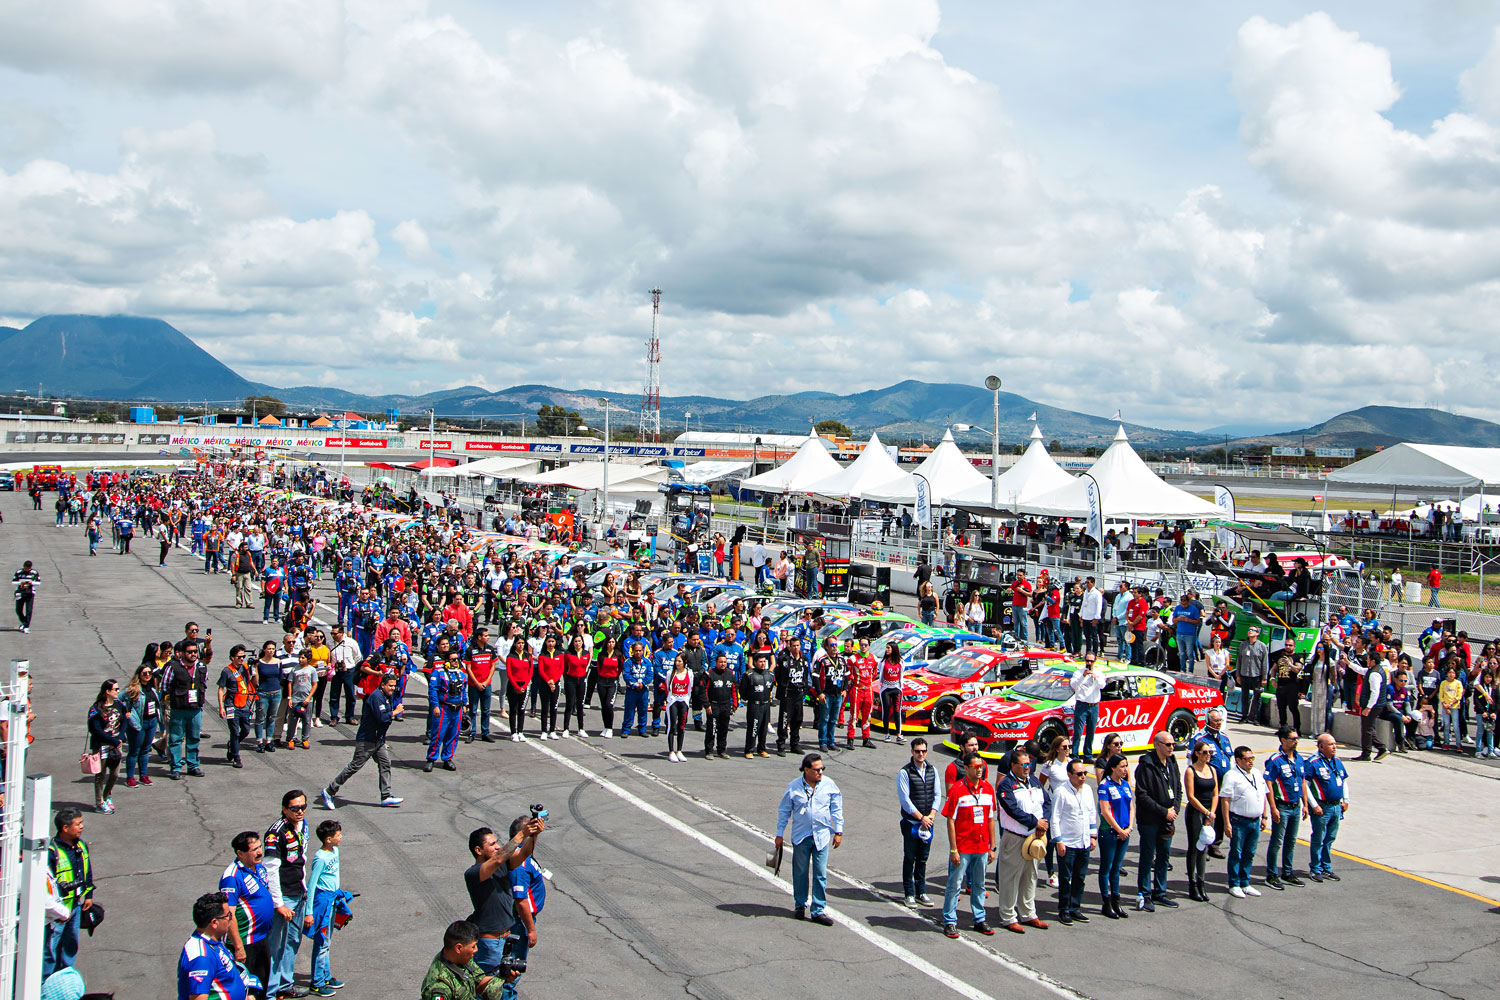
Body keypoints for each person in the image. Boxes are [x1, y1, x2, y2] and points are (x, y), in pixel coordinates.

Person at [464, 820, 545, 976]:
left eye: (497, 843)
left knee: (501, 983)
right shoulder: (474, 873)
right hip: (489, 942)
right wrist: (523, 834)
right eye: (492, 844)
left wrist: (534, 835)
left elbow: (523, 853)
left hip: (506, 939)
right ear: (478, 850)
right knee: (487, 986)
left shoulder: (502, 865)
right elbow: (498, 859)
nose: (497, 847)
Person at [775, 753, 843, 925]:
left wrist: (839, 831)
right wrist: (779, 833)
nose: (820, 772)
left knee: (820, 874)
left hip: (822, 836)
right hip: (801, 836)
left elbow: (837, 808)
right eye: (817, 769)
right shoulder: (794, 787)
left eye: (822, 769)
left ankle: (818, 910)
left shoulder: (829, 785)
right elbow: (784, 811)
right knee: (800, 872)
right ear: (806, 770)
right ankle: (800, 905)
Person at [321, 674, 403, 810]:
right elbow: (382, 717)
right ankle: (330, 790)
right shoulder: (376, 697)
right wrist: (395, 712)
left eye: (394, 686)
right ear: (382, 685)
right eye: (390, 686)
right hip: (367, 740)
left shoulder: (387, 696)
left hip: (379, 739)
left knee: (385, 764)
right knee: (354, 766)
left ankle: (386, 795)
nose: (393, 688)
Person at [939, 752, 998, 938]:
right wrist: (953, 849)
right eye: (975, 767)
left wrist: (992, 846)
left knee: (980, 885)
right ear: (966, 769)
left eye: (981, 766)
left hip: (981, 847)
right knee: (954, 884)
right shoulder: (957, 790)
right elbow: (950, 820)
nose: (979, 770)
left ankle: (979, 918)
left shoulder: (988, 789)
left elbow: (990, 819)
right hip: (963, 848)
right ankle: (949, 920)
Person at [994, 746, 1050, 933]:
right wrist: (1035, 822)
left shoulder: (1034, 781)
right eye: (1024, 764)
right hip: (1015, 837)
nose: (1028, 767)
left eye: (1029, 764)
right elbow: (1012, 809)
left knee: (1031, 875)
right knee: (1010, 877)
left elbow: (1047, 802)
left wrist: (1044, 822)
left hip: (1035, 837)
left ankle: (1028, 913)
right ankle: (1008, 916)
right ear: (1013, 765)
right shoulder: (1006, 784)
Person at [265, 790, 313, 1000]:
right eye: (295, 808)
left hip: (298, 893)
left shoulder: (303, 827)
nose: (300, 811)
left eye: (303, 807)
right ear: (285, 809)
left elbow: (301, 859)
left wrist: (304, 891)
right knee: (276, 945)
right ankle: (271, 991)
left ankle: (286, 985)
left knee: (293, 942)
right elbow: (271, 870)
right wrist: (278, 904)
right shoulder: (275, 834)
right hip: (284, 897)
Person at [220, 830, 275, 998]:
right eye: (254, 850)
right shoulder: (232, 877)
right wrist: (238, 947)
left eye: (260, 847)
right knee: (246, 990)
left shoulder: (259, 867)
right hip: (246, 943)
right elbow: (229, 915)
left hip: (261, 938)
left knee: (261, 986)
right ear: (240, 853)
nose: (260, 852)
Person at [500, 813, 548, 1000]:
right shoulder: (520, 864)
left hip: (520, 920)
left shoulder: (522, 855)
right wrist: (531, 930)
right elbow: (520, 901)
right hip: (519, 921)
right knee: (511, 970)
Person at [1133, 731, 1181, 911]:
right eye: (1168, 745)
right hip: (1150, 819)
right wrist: (1163, 812)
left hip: (1168, 818)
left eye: (1173, 744)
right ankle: (1145, 894)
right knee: (1147, 856)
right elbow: (1142, 795)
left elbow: (1177, 787)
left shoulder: (1172, 762)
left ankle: (1160, 892)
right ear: (1157, 745)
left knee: (1164, 855)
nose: (1171, 748)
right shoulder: (1146, 765)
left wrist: (1175, 809)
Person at [44, 809, 93, 980]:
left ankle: (65, 977)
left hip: (76, 905)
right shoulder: (52, 852)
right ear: (65, 828)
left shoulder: (81, 845)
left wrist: (88, 894)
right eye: (78, 824)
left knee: (70, 944)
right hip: (57, 909)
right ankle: (47, 982)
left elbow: (86, 870)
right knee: (51, 948)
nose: (82, 826)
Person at [897, 737, 943, 907]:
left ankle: (921, 891)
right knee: (910, 857)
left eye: (923, 751)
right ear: (912, 752)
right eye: (917, 751)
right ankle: (909, 893)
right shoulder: (905, 772)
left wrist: (930, 816)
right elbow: (905, 800)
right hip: (911, 822)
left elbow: (937, 795)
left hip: (928, 823)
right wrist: (920, 817)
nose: (921, 754)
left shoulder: (932, 770)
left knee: (923, 858)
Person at [1051, 759, 1099, 925]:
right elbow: (1055, 818)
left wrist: (1093, 836)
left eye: (1085, 773)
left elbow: (1092, 813)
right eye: (1079, 774)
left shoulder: (1087, 790)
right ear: (1069, 774)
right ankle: (1064, 909)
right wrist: (1059, 841)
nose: (1083, 776)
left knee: (1080, 876)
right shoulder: (1061, 792)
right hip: (1068, 842)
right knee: (1066, 878)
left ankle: (1075, 907)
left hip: (1084, 841)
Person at [180, 892, 251, 1000]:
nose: (231, 919)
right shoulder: (201, 957)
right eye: (228, 915)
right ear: (214, 923)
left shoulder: (212, 941)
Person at [1220, 745, 1270, 898]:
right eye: (1247, 759)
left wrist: (1264, 816)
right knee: (1237, 852)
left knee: (1250, 853)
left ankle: (1245, 882)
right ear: (1238, 760)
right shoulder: (1231, 775)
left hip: (1255, 821)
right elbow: (1225, 800)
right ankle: (1234, 883)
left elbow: (1263, 795)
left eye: (1252, 758)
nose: (1250, 762)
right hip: (1239, 820)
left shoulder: (1256, 773)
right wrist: (1227, 823)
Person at [1264, 726, 1307, 890]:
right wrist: (1273, 808)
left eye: (1297, 738)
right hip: (1282, 806)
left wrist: (1305, 805)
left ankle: (1287, 872)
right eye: (1293, 739)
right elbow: (1268, 783)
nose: (1296, 742)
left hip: (1296, 806)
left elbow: (1302, 781)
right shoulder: (1275, 760)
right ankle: (1272, 875)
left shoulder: (1299, 759)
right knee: (1277, 841)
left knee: (1291, 841)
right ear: (1283, 740)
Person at [1304, 733, 1350, 882]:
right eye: (1330, 744)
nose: (1334, 747)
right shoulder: (1313, 763)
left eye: (1335, 744)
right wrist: (1314, 805)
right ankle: (1316, 868)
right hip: (1322, 807)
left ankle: (1326, 867)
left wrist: (1346, 800)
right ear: (1321, 746)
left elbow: (1343, 780)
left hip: (1336, 807)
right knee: (1319, 838)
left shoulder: (1337, 761)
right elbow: (1306, 786)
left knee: (1330, 838)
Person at [419, 921, 505, 1000]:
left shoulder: (460, 958)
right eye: (473, 946)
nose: (476, 950)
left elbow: (479, 983)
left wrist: (502, 976)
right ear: (459, 948)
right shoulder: (440, 987)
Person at [1188, 707, 1232, 859]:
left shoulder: (1225, 738)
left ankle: (1215, 844)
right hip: (1205, 781)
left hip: (1224, 782)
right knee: (1204, 814)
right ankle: (1202, 846)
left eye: (1220, 720)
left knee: (1220, 813)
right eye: (1215, 720)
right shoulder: (1200, 738)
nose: (1218, 723)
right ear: (1208, 721)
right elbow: (1191, 761)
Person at [1095, 754, 1133, 919]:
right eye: (1122, 766)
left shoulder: (1125, 785)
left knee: (1116, 869)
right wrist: (1118, 829)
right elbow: (1105, 811)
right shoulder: (1104, 785)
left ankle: (1116, 901)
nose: (1125, 770)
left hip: (1125, 832)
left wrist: (1129, 827)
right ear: (1113, 767)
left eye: (1126, 766)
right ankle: (1106, 902)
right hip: (1110, 832)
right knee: (1106, 868)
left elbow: (1131, 807)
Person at [165, 638, 209, 779]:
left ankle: (193, 766)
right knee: (176, 739)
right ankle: (176, 767)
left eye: (195, 651)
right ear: (182, 653)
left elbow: (205, 683)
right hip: (179, 708)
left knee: (194, 738)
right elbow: (164, 685)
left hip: (196, 709)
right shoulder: (173, 667)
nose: (193, 654)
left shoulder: (201, 666)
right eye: (190, 652)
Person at [1182, 740, 1219, 902]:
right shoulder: (1191, 771)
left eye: (1210, 753)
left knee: (1205, 846)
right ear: (1197, 753)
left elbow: (1216, 793)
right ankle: (1192, 884)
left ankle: (1202, 882)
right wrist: (1205, 812)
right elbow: (1190, 796)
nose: (1208, 755)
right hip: (1196, 811)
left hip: (1209, 811)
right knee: (1195, 846)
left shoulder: (1212, 770)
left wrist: (1211, 813)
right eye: (1205, 752)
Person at [86, 678, 125, 813]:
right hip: (101, 746)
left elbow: (124, 721)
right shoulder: (96, 709)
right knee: (100, 775)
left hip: (115, 745)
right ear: (107, 691)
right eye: (115, 689)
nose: (118, 691)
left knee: (114, 774)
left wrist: (119, 738)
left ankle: (107, 794)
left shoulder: (119, 704)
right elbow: (95, 730)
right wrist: (112, 740)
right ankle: (99, 802)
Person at [122, 662, 163, 786]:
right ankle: (130, 777)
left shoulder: (151, 689)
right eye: (144, 673)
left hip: (151, 722)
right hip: (138, 723)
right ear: (139, 675)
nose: (147, 675)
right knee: (134, 750)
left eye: (149, 673)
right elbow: (119, 699)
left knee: (145, 750)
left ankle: (143, 775)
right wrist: (127, 713)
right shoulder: (134, 689)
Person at [425, 653, 467, 772]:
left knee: (453, 735)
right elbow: (433, 690)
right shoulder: (438, 673)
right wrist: (435, 706)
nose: (456, 661)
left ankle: (447, 758)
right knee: (438, 735)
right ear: (447, 661)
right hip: (443, 708)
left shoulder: (461, 674)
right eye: (453, 659)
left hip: (457, 709)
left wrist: (465, 704)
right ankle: (431, 758)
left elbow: (463, 690)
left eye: (457, 659)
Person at [217, 646, 255, 769]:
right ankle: (236, 756)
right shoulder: (226, 671)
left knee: (246, 730)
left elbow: (254, 682)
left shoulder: (245, 668)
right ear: (232, 657)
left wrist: (255, 669)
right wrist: (221, 707)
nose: (241, 659)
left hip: (244, 703)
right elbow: (221, 689)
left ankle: (233, 745)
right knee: (234, 732)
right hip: (231, 704)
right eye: (239, 657)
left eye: (243, 656)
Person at [774, 639, 810, 755]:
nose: (795, 648)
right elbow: (778, 675)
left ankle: (795, 744)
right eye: (793, 645)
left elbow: (805, 675)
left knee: (797, 719)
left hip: (799, 693)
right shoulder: (784, 659)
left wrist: (804, 690)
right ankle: (781, 745)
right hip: (787, 694)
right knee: (784, 720)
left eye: (797, 645)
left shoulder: (804, 659)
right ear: (789, 646)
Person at [740, 653, 774, 758]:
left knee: (764, 729)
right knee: (754, 727)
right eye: (760, 662)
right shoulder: (749, 675)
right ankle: (749, 750)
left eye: (764, 661)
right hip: (754, 705)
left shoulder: (770, 675)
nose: (763, 664)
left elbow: (770, 688)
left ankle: (761, 749)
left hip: (766, 704)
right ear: (755, 663)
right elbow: (743, 691)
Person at [1068, 656, 1102, 759]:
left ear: (1094, 662)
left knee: (1091, 732)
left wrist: (1095, 678)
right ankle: (1074, 754)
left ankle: (1088, 755)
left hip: (1094, 705)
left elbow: (1102, 685)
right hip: (1082, 705)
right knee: (1078, 731)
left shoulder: (1098, 673)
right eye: (1087, 660)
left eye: (1091, 661)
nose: (1089, 663)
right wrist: (1083, 676)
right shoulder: (1078, 673)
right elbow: (1073, 685)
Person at [1235, 627, 1269, 725]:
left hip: (1256, 675)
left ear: (1257, 633)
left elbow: (1265, 663)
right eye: (1249, 629)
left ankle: (1254, 717)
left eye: (1253, 630)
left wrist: (1264, 677)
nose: (1250, 631)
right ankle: (1244, 716)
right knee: (1244, 696)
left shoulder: (1262, 646)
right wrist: (1238, 675)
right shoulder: (1243, 645)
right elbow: (1239, 660)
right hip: (1244, 674)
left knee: (1257, 697)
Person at [663, 655, 693, 762]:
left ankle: (679, 750)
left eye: (679, 661)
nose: (677, 663)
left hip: (683, 701)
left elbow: (690, 688)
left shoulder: (689, 673)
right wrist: (670, 698)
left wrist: (686, 700)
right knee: (672, 726)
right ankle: (671, 751)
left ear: (684, 662)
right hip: (673, 701)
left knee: (682, 726)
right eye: (676, 661)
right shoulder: (670, 673)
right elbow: (667, 687)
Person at [1271, 637, 1305, 731]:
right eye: (1286, 645)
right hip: (1281, 685)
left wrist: (1290, 664)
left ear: (1294, 646)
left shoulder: (1298, 657)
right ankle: (1283, 727)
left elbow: (1298, 669)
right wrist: (1273, 679)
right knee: (1281, 708)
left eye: (1290, 645)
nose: (1288, 647)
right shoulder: (1279, 656)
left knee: (1293, 708)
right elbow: (1274, 669)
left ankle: (1297, 728)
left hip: (1292, 685)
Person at [877, 641, 905, 743]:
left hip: (896, 688)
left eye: (888, 648)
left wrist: (901, 686)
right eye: (886, 648)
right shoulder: (883, 661)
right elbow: (879, 672)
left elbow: (901, 674)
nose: (887, 650)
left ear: (893, 649)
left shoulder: (900, 661)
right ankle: (887, 733)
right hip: (886, 689)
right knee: (886, 710)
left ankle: (899, 734)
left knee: (897, 710)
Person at [13, 559, 40, 632]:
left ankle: (26, 626)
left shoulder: (34, 573)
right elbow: (13, 582)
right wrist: (21, 583)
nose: (26, 569)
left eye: (27, 568)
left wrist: (30, 583)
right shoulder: (19, 572)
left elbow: (38, 583)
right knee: (18, 610)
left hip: (30, 593)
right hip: (20, 593)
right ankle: (24, 622)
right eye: (25, 568)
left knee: (29, 610)